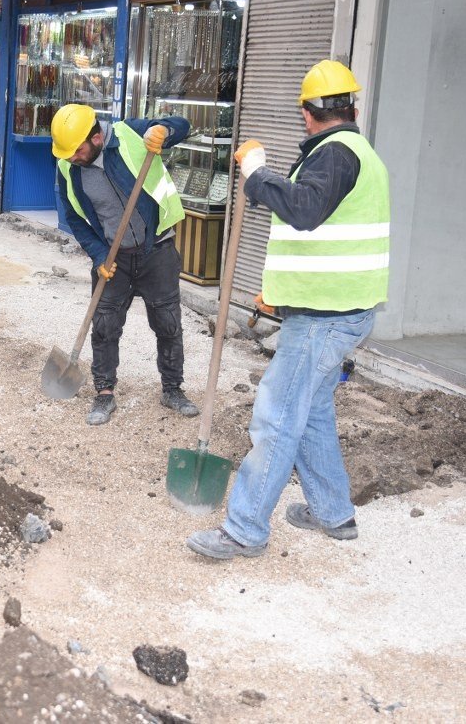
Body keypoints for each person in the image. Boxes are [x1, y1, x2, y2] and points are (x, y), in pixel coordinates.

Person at [186, 59, 390, 561]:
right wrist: (281, 291)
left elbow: (303, 209)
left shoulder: (336, 154)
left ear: (306, 113)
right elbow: (324, 230)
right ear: (353, 107)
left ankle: (244, 529)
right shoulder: (352, 152)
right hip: (334, 309)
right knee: (313, 411)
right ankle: (333, 512)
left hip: (326, 319)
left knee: (277, 418)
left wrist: (256, 173)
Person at [51, 103, 201, 426]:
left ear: (95, 138)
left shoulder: (131, 133)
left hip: (156, 249)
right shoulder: (67, 168)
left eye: (76, 150)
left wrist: (165, 131)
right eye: (67, 153)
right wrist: (98, 255)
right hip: (112, 256)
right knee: (104, 325)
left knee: (168, 322)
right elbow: (75, 219)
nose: (71, 158)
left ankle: (172, 389)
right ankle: (104, 392)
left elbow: (182, 125)